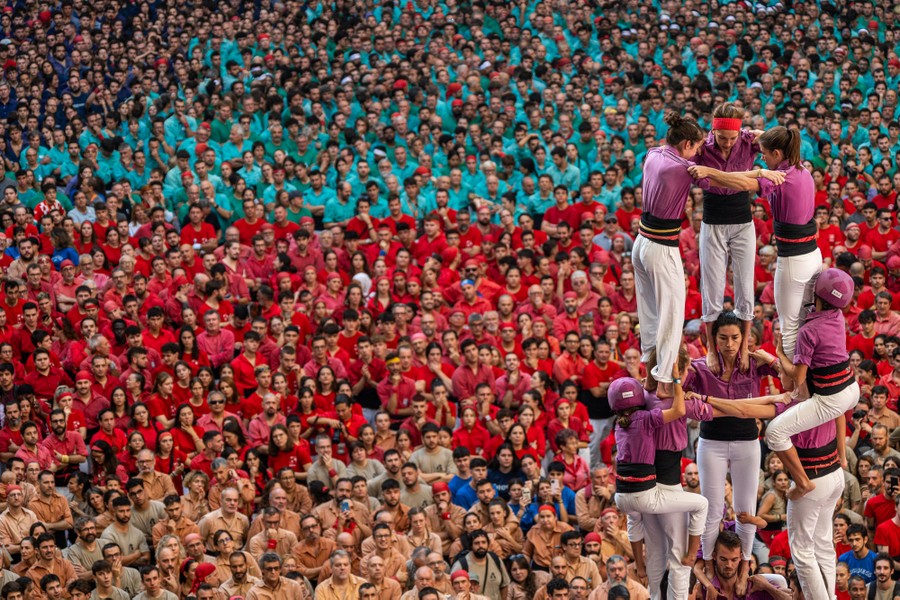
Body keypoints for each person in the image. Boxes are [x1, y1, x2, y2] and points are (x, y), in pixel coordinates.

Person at [689, 126, 818, 364]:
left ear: (777, 154)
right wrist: (756, 143)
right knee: (803, 320)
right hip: (810, 254)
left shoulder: (781, 178)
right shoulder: (802, 171)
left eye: (765, 154)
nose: (762, 157)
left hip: (794, 260)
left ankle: (793, 384)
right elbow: (768, 149)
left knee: (789, 327)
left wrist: (710, 171)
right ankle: (800, 381)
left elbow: (740, 183)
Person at [685, 311, 779, 578]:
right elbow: (682, 400)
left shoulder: (753, 363)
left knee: (745, 509)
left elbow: (792, 378)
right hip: (711, 442)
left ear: (744, 337)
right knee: (712, 509)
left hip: (746, 442)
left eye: (735, 338)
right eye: (723, 338)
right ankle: (712, 563)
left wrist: (768, 357)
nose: (729, 344)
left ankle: (745, 564)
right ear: (713, 338)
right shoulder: (700, 366)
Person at [765, 268, 860, 500]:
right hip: (851, 390)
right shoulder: (837, 316)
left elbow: (797, 378)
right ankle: (842, 456)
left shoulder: (807, 331)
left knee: (774, 432)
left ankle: (802, 482)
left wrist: (779, 357)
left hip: (831, 398)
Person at [631, 113, 705, 398]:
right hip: (661, 246)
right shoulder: (680, 168)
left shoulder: (654, 153)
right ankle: (664, 381)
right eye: (696, 147)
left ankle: (651, 377)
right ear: (686, 144)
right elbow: (709, 175)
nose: (697, 152)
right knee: (672, 316)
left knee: (650, 315)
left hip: (642, 241)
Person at [609, 373, 708, 582]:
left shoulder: (619, 424)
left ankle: (640, 565)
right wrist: (678, 384)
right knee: (701, 504)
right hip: (645, 495)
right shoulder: (645, 418)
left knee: (634, 520)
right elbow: (679, 410)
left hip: (621, 496)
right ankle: (691, 555)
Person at [693, 104, 769, 373]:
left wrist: (758, 134)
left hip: (742, 221)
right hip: (713, 221)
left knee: (745, 284)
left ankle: (746, 344)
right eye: (721, 137)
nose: (726, 144)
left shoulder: (748, 141)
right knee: (712, 287)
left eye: (732, 138)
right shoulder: (701, 147)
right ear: (713, 131)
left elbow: (780, 140)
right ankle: (712, 349)